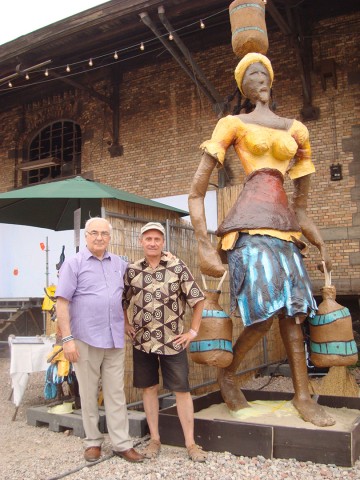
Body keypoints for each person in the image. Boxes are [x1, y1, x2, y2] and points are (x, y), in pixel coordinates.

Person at [188, 52, 335, 427]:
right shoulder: (232, 123)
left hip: (286, 228)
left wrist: (321, 243)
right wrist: (204, 243)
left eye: (264, 72)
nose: (260, 78)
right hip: (248, 226)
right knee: (264, 313)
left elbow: (302, 207)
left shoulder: (297, 130)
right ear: (244, 85)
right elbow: (195, 191)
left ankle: (303, 395)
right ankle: (228, 373)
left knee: (294, 311)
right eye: (251, 74)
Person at [56, 217, 145, 463]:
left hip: (114, 338)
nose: (99, 237)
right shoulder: (73, 264)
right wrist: (67, 339)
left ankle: (121, 444)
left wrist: (126, 322)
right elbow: (62, 303)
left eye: (104, 233)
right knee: (87, 392)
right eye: (94, 233)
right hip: (84, 338)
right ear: (86, 236)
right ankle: (93, 441)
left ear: (110, 237)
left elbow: (122, 297)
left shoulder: (119, 263)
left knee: (116, 393)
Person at [123, 221, 208, 462]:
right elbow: (123, 300)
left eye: (156, 239)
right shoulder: (132, 270)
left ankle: (190, 443)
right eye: (148, 239)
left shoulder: (177, 266)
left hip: (173, 341)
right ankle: (155, 439)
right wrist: (125, 324)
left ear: (163, 242)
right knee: (148, 389)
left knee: (181, 390)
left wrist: (193, 331)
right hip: (143, 341)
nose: (152, 243)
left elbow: (198, 298)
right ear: (141, 242)